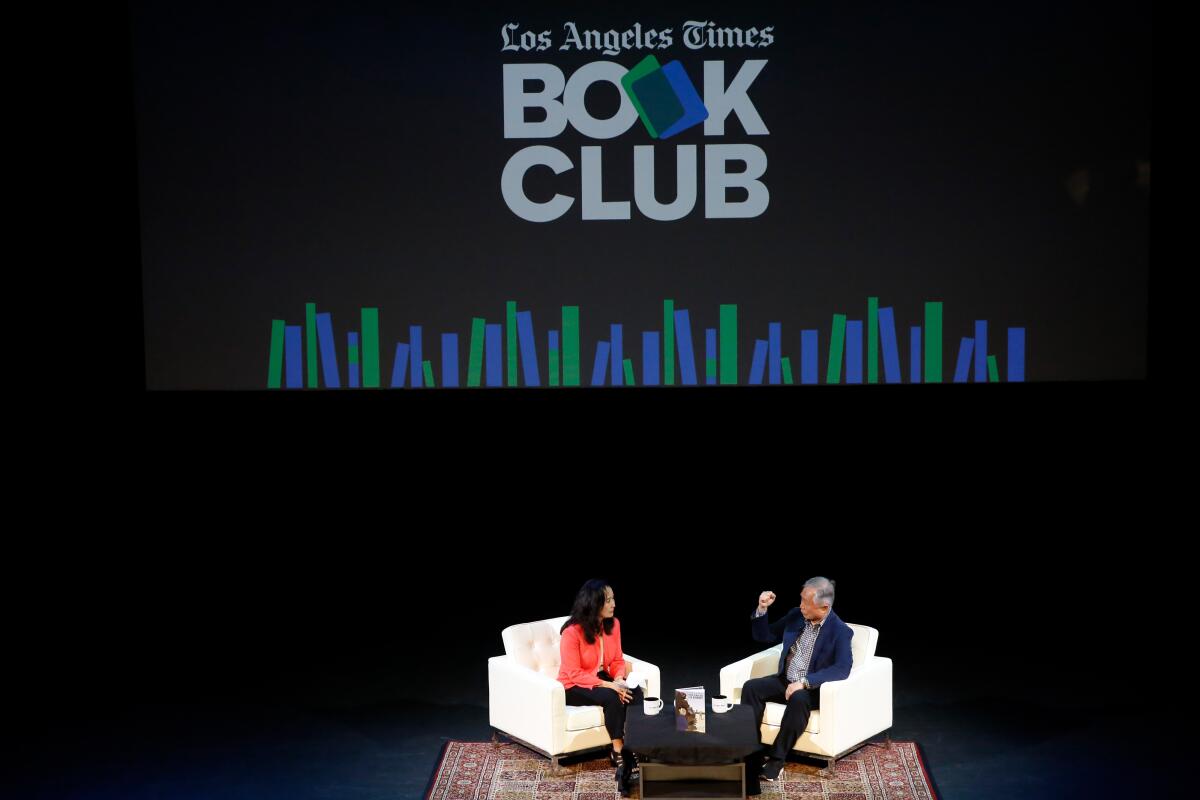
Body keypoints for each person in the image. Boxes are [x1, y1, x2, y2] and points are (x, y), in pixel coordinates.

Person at [739, 577, 853, 782]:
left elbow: (842, 668)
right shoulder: (796, 616)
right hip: (785, 680)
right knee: (751, 687)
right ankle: (751, 753)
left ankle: (776, 760)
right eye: (801, 600)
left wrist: (805, 682)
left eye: (805, 603)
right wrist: (762, 609)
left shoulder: (840, 631)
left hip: (811, 690)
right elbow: (765, 636)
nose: (800, 606)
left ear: (824, 606)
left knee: (799, 698)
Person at [557, 579, 642, 795]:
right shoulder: (571, 632)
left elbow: (616, 661)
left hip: (599, 677)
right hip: (573, 685)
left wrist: (620, 679)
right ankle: (618, 751)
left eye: (613, 598)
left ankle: (637, 745)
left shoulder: (614, 625)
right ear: (594, 604)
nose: (614, 604)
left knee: (635, 691)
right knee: (612, 697)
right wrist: (610, 685)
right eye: (608, 600)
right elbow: (573, 672)